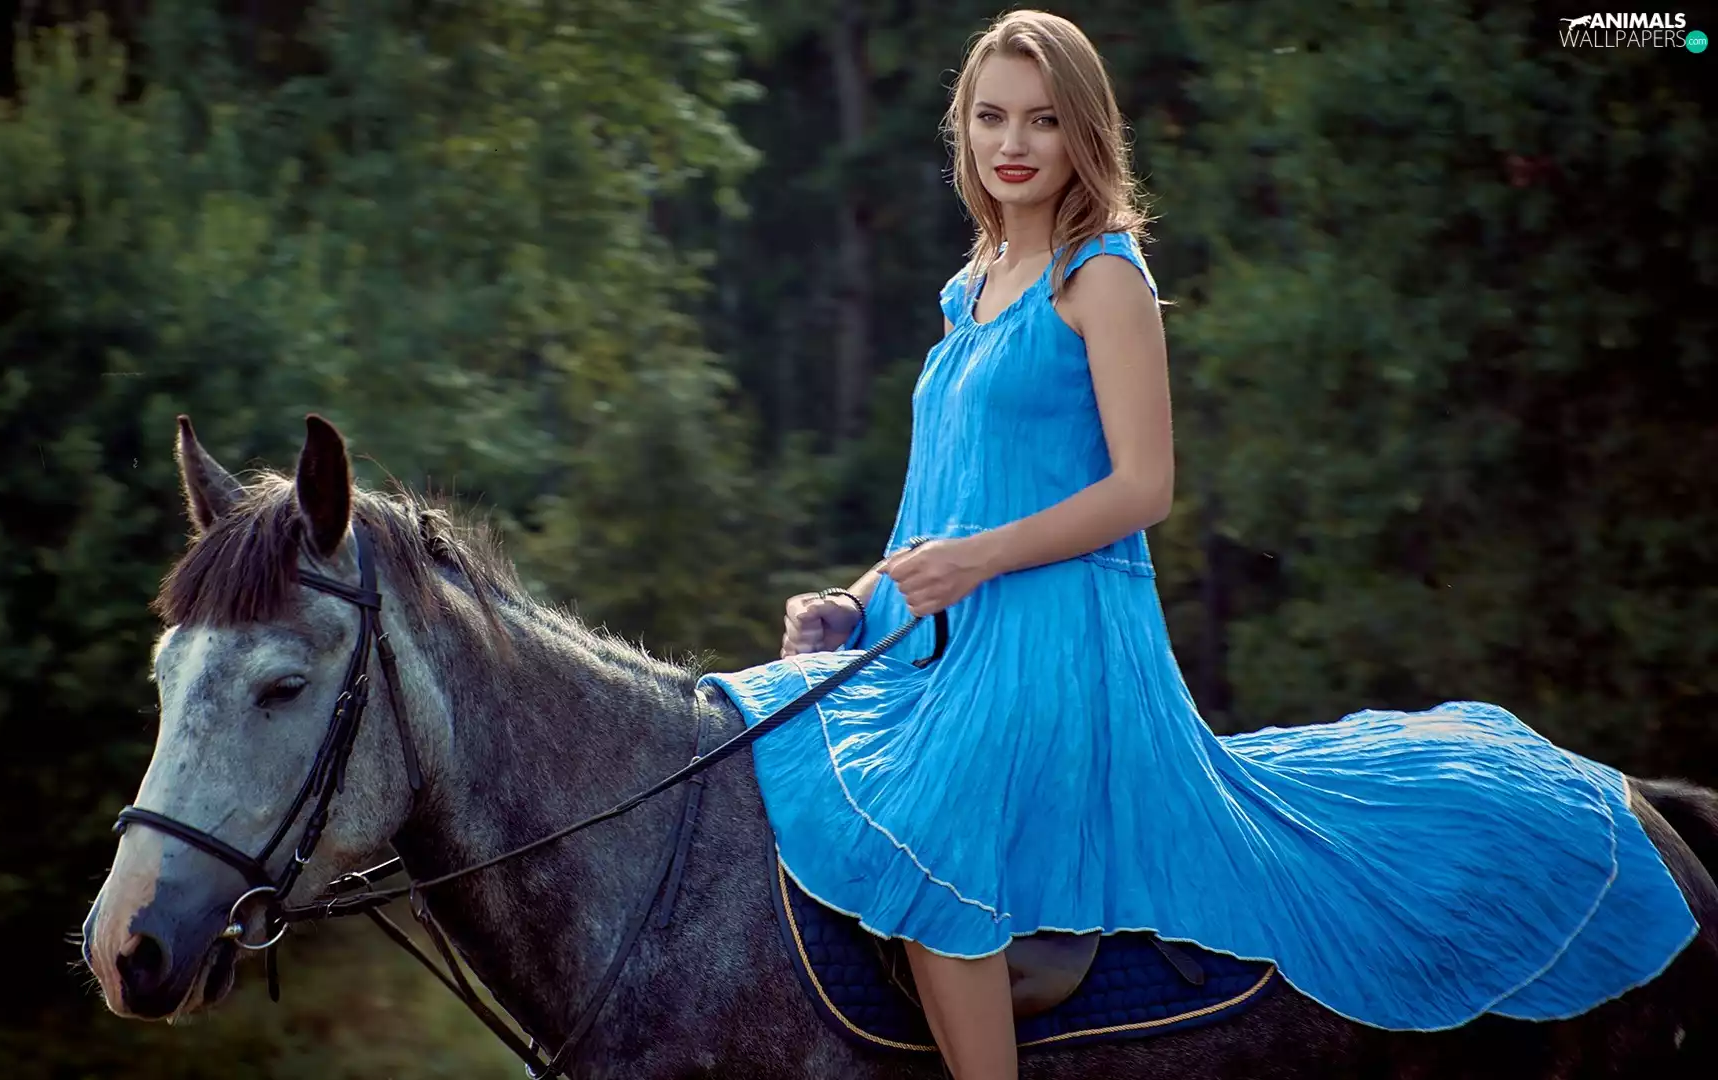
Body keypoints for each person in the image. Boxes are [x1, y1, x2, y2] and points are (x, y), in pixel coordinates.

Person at [703, 9, 1698, 1080]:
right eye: (990, 117)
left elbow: (1144, 488)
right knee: (757, 736)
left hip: (1062, 641)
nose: (1014, 143)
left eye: (1043, 119)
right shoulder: (970, 289)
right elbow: (938, 502)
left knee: (934, 845)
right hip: (942, 634)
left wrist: (979, 562)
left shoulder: (1103, 278)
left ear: (1086, 131)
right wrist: (852, 604)